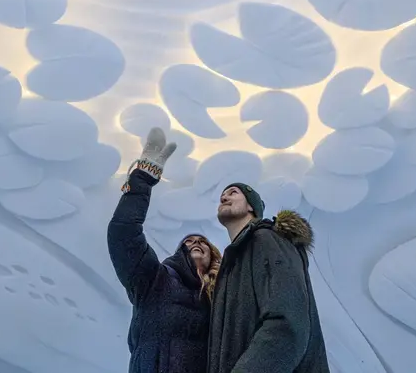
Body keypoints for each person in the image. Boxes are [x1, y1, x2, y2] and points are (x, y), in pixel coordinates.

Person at [106, 127, 222, 373]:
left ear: (213, 254)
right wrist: (142, 179)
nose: (196, 243)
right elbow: (124, 234)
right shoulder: (154, 279)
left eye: (203, 242)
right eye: (188, 242)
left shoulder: (223, 293)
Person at [207, 182, 330, 373]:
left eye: (233, 193)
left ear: (251, 206)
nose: (224, 197)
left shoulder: (266, 238)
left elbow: (286, 324)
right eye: (223, 195)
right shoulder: (233, 263)